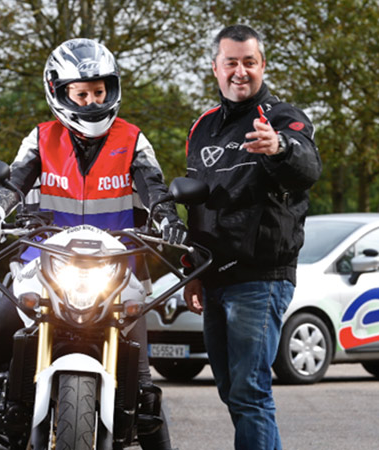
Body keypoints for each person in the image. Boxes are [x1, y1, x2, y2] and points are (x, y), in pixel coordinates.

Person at [0, 38, 185, 450]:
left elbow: (156, 190)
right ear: (59, 92)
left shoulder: (133, 140)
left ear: (111, 89)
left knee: (143, 388)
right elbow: (14, 182)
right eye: (81, 93)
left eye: (99, 91)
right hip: (44, 260)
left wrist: (170, 221)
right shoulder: (41, 139)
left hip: (118, 266)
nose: (91, 102)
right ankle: (3, 386)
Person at [182, 25, 322, 450]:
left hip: (260, 277)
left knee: (250, 391)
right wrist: (192, 270)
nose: (240, 71)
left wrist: (280, 147)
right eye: (231, 62)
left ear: (262, 66)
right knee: (231, 390)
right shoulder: (202, 127)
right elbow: (196, 204)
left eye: (249, 62)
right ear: (216, 68)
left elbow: (308, 169)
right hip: (214, 276)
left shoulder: (281, 118)